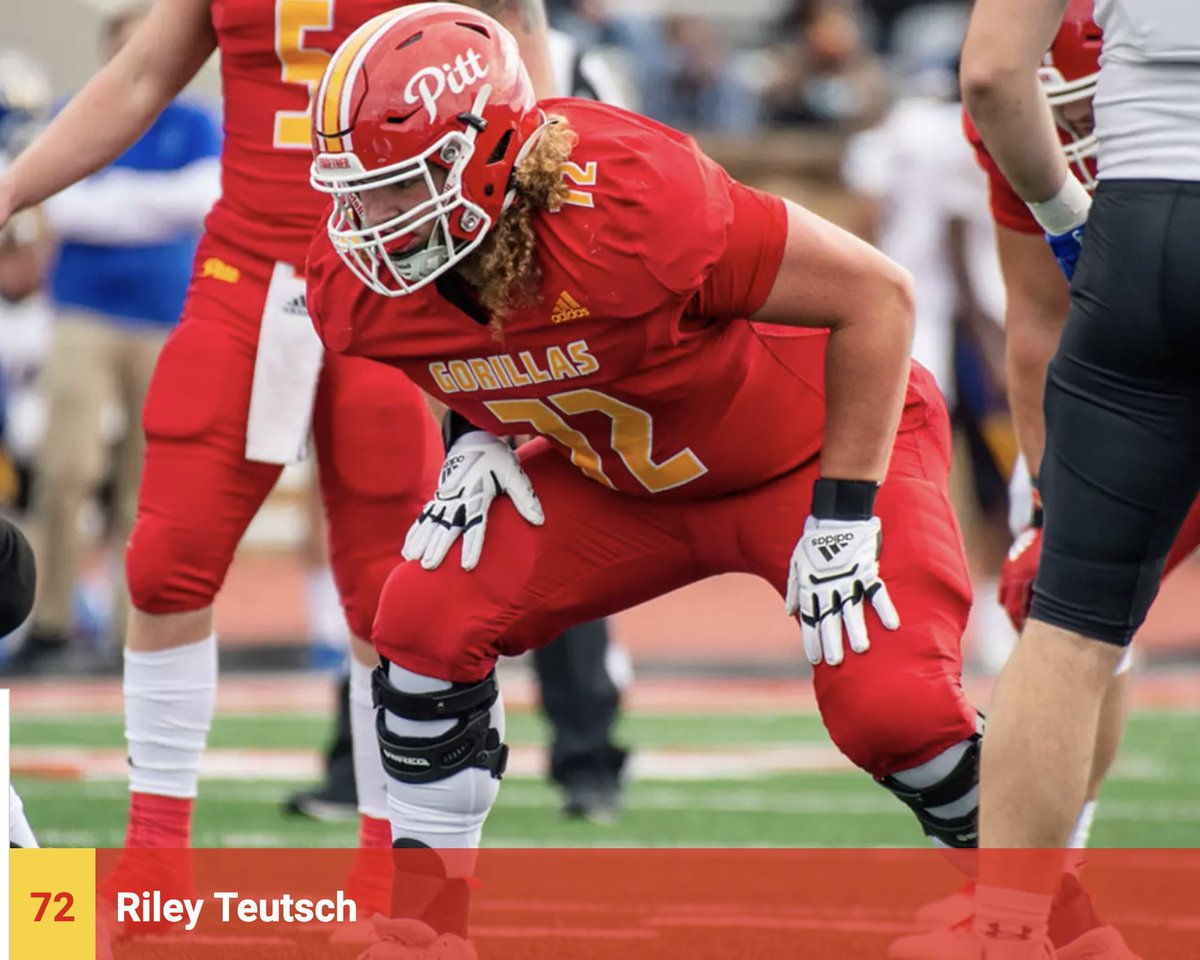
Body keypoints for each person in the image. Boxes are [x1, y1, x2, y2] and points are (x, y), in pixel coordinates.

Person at [304, 6, 985, 955]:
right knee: (418, 616)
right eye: (358, 192)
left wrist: (842, 518)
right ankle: (423, 926)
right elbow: (453, 349)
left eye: (400, 187)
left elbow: (878, 298)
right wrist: (473, 435)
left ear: (492, 154)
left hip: (808, 455)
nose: (369, 223)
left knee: (896, 712)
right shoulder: (362, 281)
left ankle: (1041, 914)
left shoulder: (627, 203)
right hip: (621, 478)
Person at [0, 0, 554, 906]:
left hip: (401, 272)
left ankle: (387, 866)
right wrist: (16, 186)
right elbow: (142, 76)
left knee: (393, 588)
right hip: (247, 270)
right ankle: (155, 862)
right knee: (167, 557)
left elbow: (526, 87)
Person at [962, 0, 1200, 955]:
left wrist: (1072, 220)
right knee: (1049, 598)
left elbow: (990, 74)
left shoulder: (1045, 84)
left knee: (1067, 623)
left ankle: (1012, 931)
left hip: (1146, 235)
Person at [9, 5, 222, 673]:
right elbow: (60, 203)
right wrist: (145, 205)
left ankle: (132, 630)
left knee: (148, 484)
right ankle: (52, 619)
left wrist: (114, 201)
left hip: (165, 318)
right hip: (84, 314)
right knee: (65, 469)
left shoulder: (192, 123)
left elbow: (200, 199)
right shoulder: (81, 110)